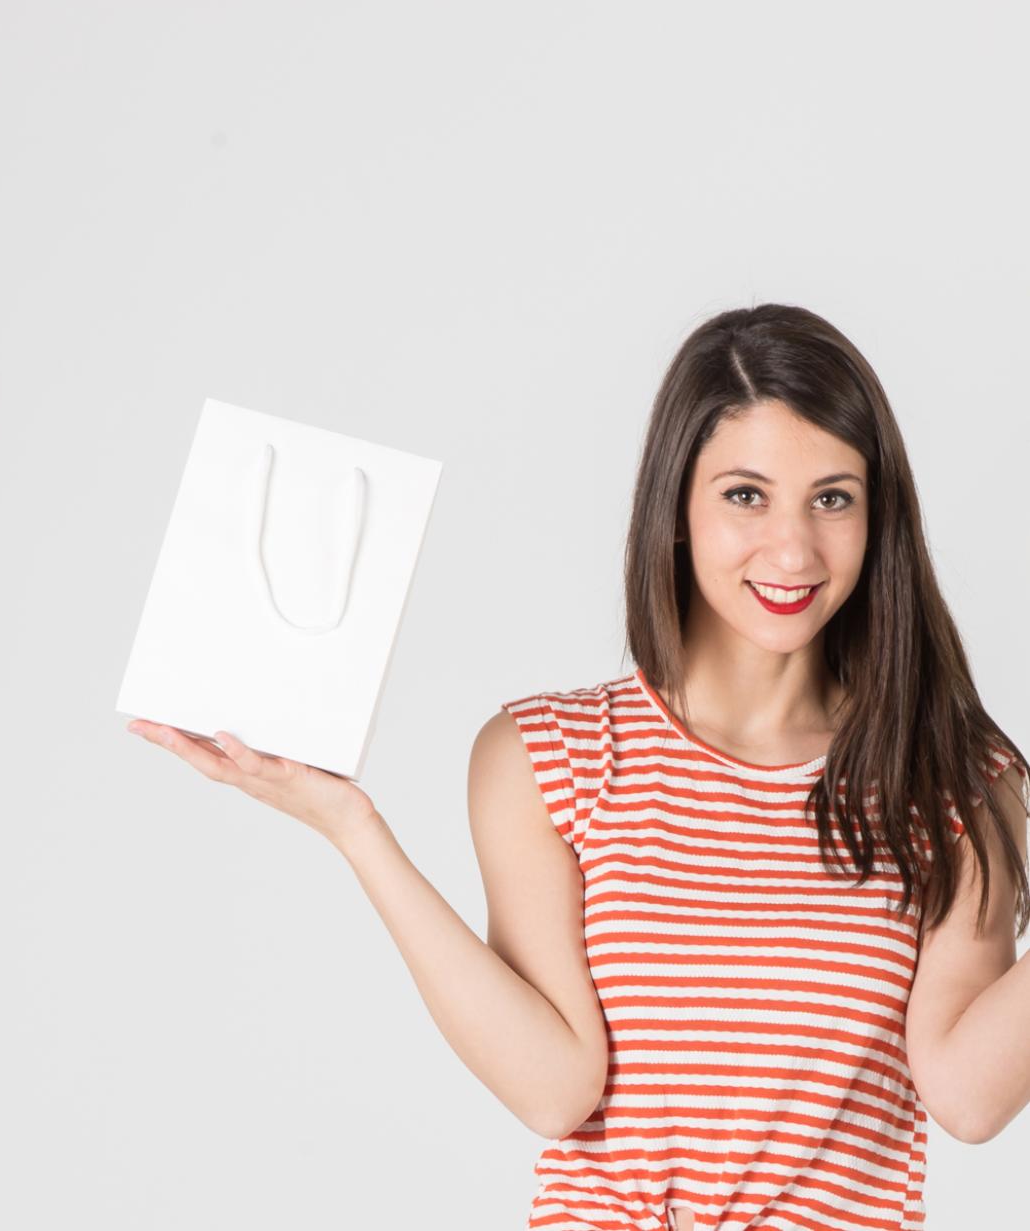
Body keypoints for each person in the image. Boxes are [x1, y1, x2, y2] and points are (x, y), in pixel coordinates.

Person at [126, 303, 1029, 1231]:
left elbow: (965, 1097)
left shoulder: (959, 782)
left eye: (832, 497)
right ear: (676, 507)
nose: (793, 549)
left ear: (879, 517)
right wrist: (355, 829)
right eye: (745, 495)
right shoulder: (549, 758)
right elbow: (556, 1090)